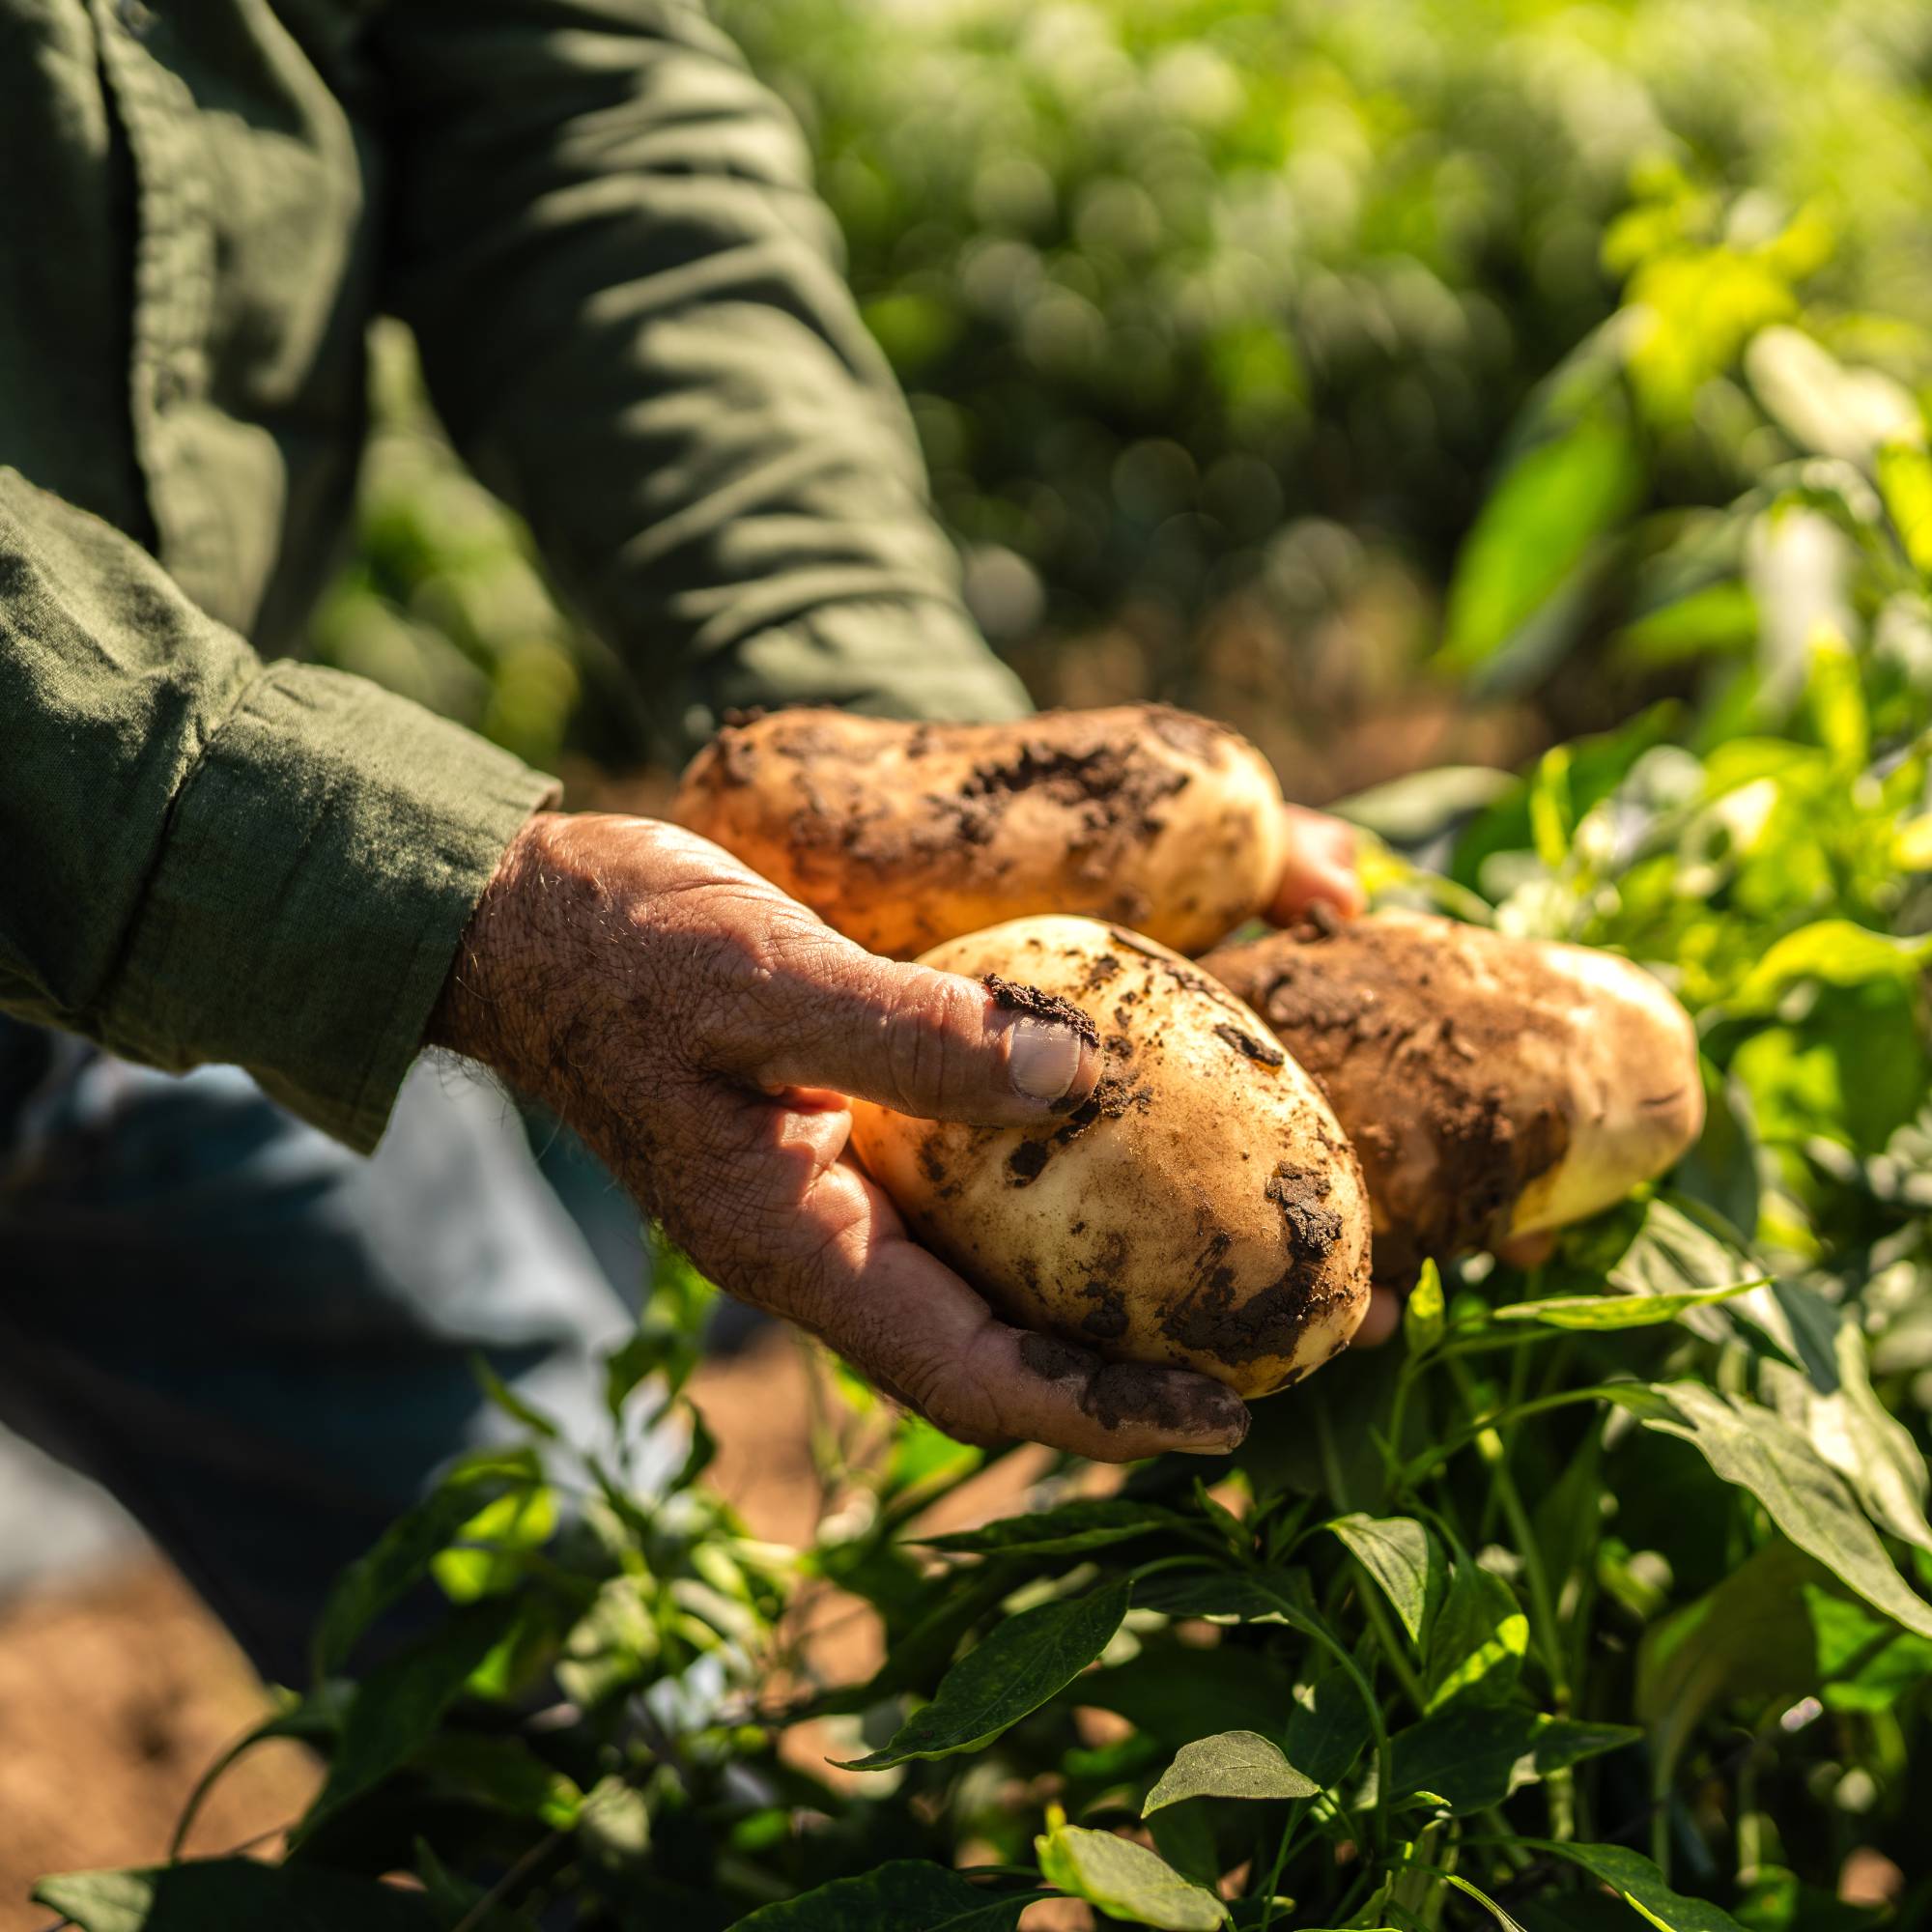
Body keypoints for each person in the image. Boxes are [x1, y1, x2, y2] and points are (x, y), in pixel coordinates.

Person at [0, 0, 1360, 1688]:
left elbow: (572, 104)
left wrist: (901, 767)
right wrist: (457, 915)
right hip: (267, 853)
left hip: (227, 940)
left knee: (594, 1682)